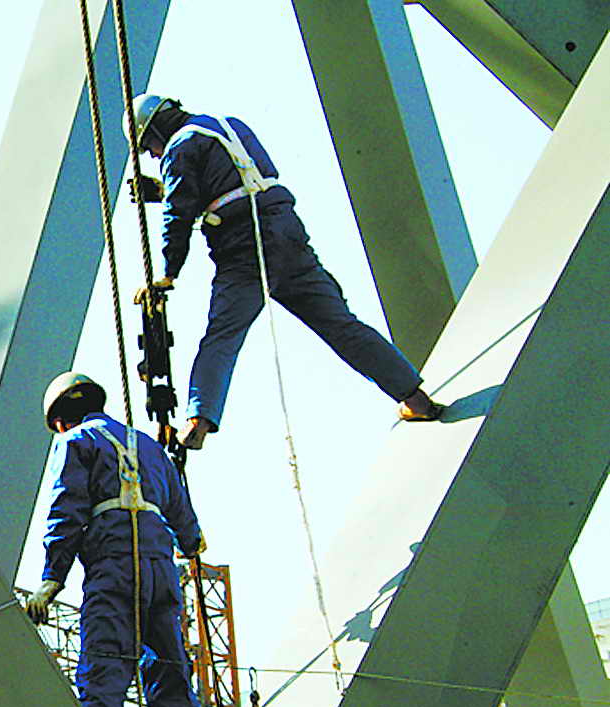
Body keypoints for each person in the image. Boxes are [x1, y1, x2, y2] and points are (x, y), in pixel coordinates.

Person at [126, 94, 443, 450]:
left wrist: (168, 274)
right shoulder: (231, 126)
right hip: (288, 238)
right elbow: (238, 181)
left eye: (148, 146)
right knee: (342, 326)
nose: (153, 155)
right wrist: (164, 188)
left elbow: (178, 213)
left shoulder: (180, 146)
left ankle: (199, 417)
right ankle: (416, 399)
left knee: (223, 335)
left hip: (244, 247)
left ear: (155, 128)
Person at [24, 371, 220, 707]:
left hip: (114, 573)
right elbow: (184, 518)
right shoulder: (148, 446)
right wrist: (190, 544)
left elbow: (66, 510)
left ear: (59, 421)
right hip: (160, 571)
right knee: (175, 691)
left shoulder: (76, 442)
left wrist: (52, 581)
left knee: (102, 686)